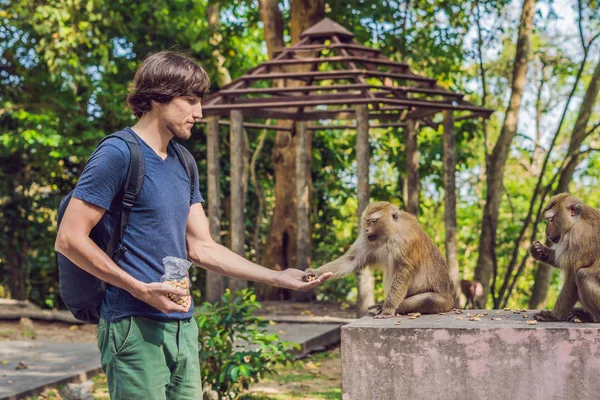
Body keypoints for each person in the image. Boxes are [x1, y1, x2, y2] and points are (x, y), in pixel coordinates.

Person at [55, 50, 332, 399]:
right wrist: (138, 288)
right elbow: (69, 238)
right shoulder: (118, 153)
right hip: (131, 323)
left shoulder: (184, 161)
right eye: (190, 101)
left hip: (183, 326)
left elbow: (201, 247)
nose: (199, 113)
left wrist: (277, 276)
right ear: (157, 97)